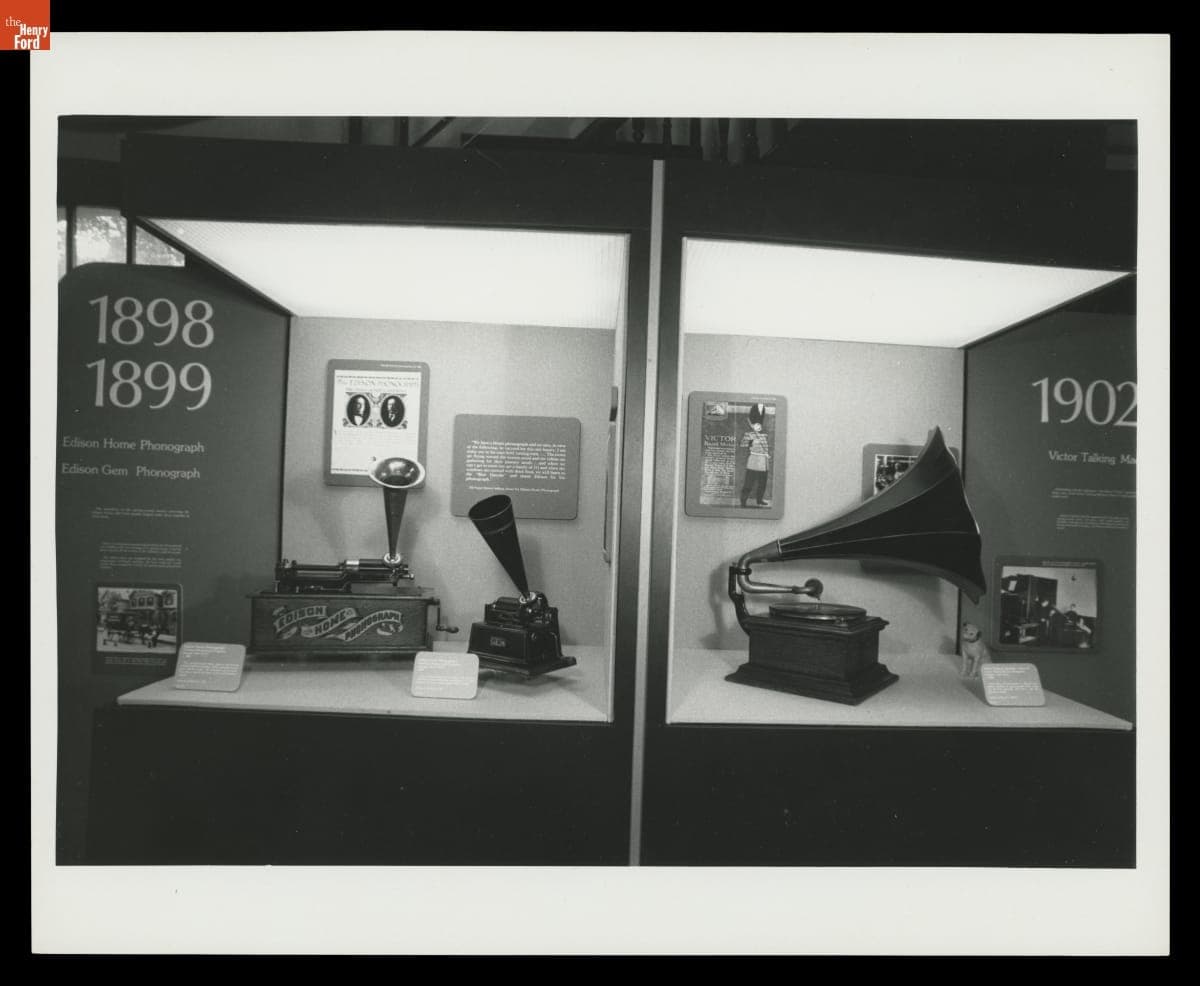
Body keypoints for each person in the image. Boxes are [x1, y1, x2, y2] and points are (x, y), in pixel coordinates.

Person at [739, 403, 771, 507]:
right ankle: (743, 500)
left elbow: (765, 448)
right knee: (749, 483)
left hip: (764, 462)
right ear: (753, 426)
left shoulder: (764, 436)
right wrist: (750, 442)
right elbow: (742, 444)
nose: (758, 426)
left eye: (759, 425)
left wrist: (766, 455)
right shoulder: (749, 435)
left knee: (762, 483)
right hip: (753, 461)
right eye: (756, 425)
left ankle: (759, 500)